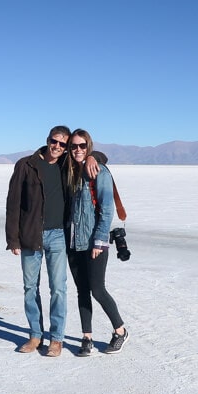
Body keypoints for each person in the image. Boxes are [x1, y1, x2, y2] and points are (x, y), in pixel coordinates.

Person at [5, 126, 102, 357]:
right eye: (54, 141)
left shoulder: (67, 164)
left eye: (62, 144)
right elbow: (13, 203)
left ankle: (56, 339)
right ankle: (35, 336)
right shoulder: (26, 165)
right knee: (30, 288)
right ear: (47, 140)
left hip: (58, 235)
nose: (57, 147)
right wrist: (13, 239)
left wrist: (91, 157)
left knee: (58, 288)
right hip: (30, 236)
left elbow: (101, 157)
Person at [65, 129, 128, 356]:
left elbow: (107, 209)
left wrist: (100, 240)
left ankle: (120, 331)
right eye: (74, 146)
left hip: (94, 242)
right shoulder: (69, 170)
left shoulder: (98, 171)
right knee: (82, 290)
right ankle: (86, 337)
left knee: (98, 290)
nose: (78, 150)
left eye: (83, 146)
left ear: (88, 147)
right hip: (73, 242)